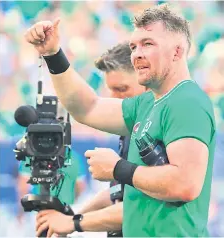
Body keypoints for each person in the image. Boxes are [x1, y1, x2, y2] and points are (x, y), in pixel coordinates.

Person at [25, 3, 216, 237]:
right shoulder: (146, 103)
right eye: (134, 46)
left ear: (176, 52)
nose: (136, 54)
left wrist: (117, 168)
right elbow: (87, 107)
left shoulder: (187, 100)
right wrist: (53, 54)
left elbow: (185, 184)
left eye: (148, 44)